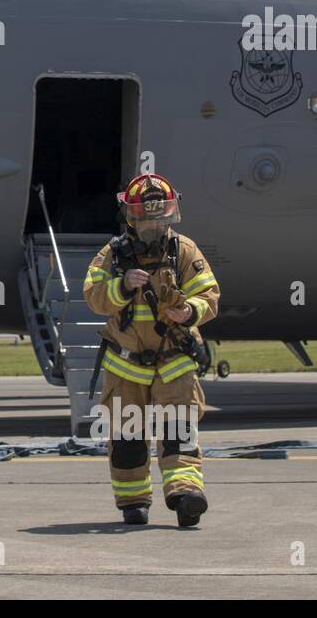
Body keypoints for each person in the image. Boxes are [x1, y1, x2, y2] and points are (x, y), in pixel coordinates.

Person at [83, 173, 220, 527]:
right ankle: (133, 502)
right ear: (131, 216)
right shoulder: (111, 255)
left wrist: (189, 311)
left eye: (161, 215)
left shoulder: (184, 251)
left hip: (174, 362)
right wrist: (122, 285)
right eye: (146, 215)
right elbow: (93, 297)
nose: (154, 223)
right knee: (127, 438)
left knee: (179, 433)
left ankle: (186, 495)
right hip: (126, 366)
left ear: (171, 214)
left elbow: (209, 294)